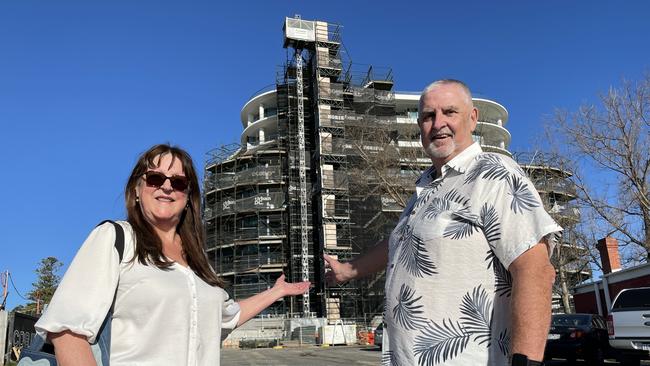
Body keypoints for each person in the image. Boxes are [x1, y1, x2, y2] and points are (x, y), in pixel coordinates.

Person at [325, 80, 561, 365]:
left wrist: (527, 362)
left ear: (472, 118)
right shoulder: (425, 191)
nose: (438, 124)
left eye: (450, 112)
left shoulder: (493, 173)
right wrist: (347, 271)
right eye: (428, 116)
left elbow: (535, 269)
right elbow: (397, 245)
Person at [35, 144, 310, 366]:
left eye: (178, 182)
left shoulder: (198, 263)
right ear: (137, 190)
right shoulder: (116, 238)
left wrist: (276, 292)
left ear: (188, 196)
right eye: (155, 178)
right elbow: (68, 330)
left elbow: (229, 316)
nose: (166, 187)